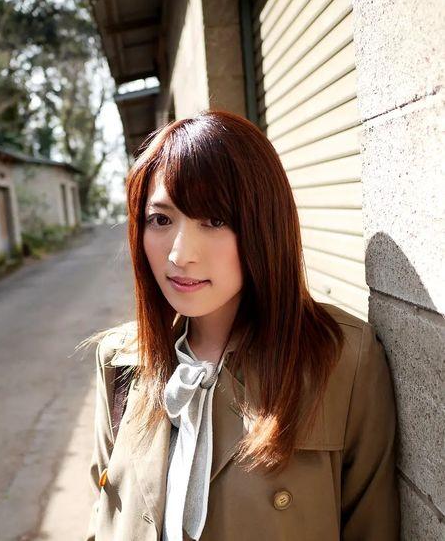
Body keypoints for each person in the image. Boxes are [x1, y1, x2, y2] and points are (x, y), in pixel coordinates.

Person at [82, 110, 400, 541]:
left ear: (263, 225)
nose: (179, 255)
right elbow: (103, 513)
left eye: (214, 220)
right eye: (161, 219)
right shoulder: (122, 362)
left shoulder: (342, 360)